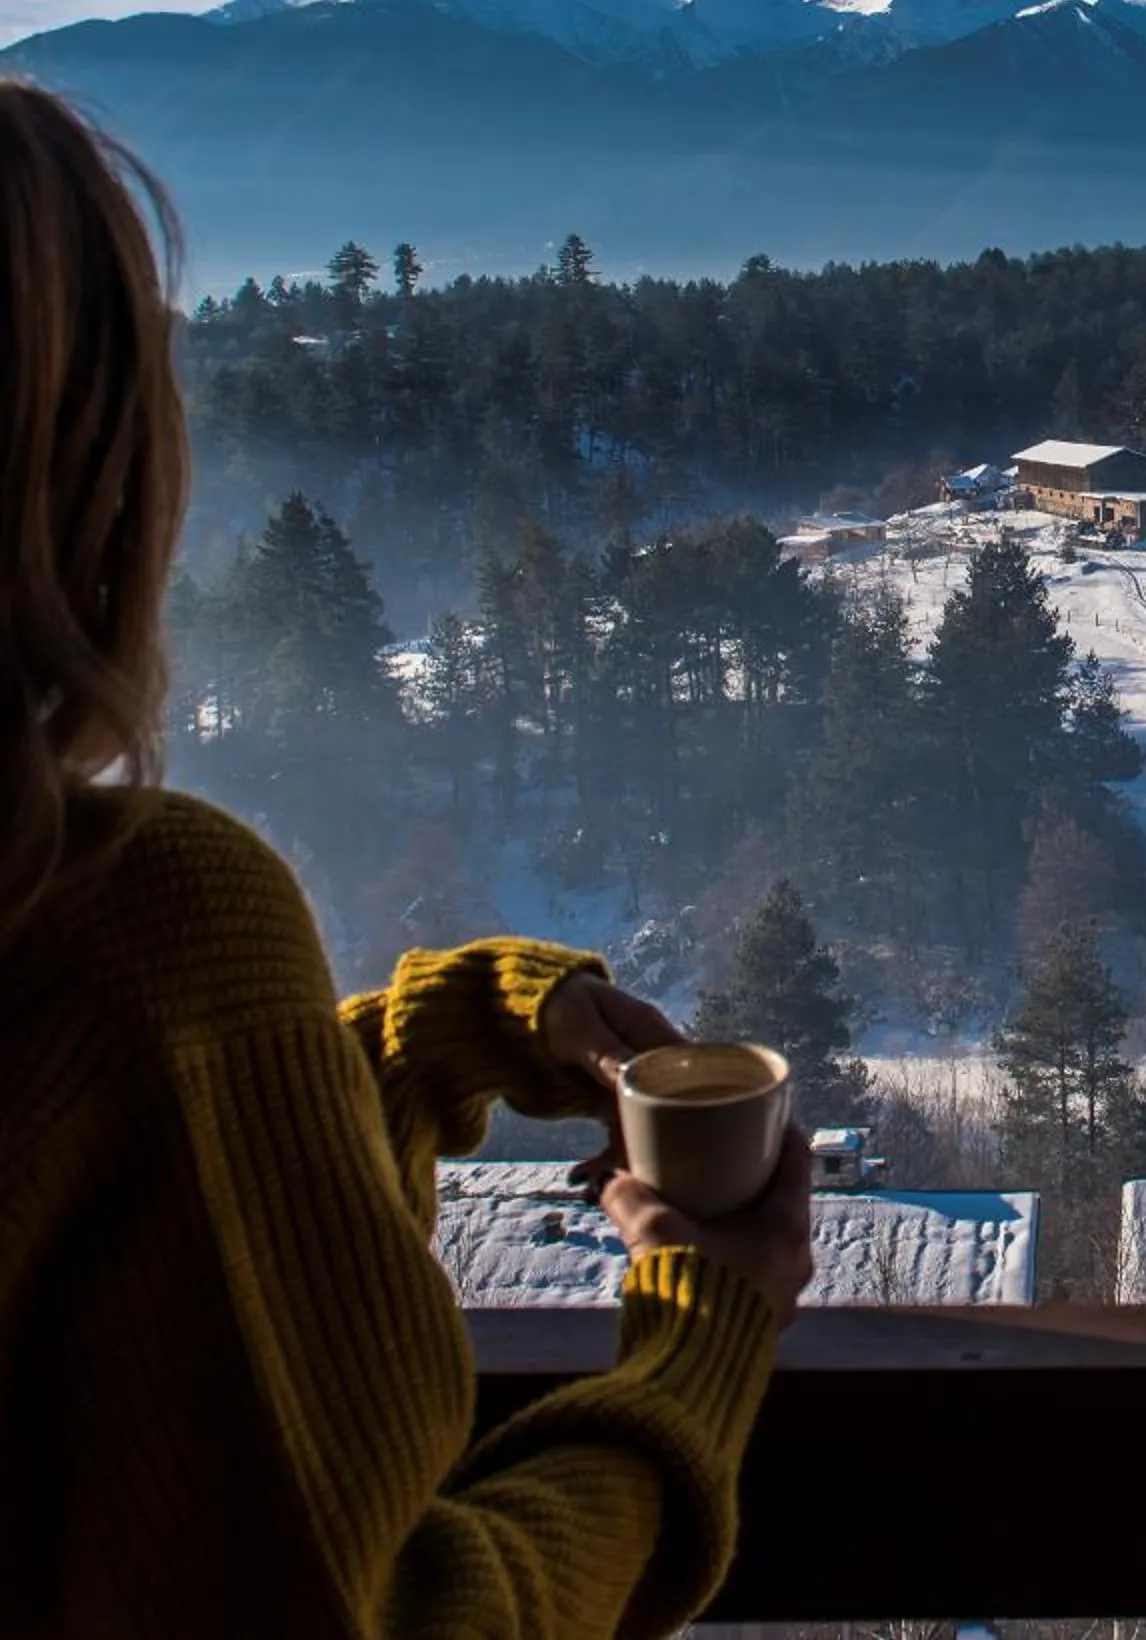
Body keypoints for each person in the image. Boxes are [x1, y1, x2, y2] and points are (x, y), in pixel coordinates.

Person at [0, 80, 815, 1637]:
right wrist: (701, 1344)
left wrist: (423, 1043)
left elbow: (124, 1206)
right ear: (90, 463)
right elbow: (395, 1613)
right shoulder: (131, 922)